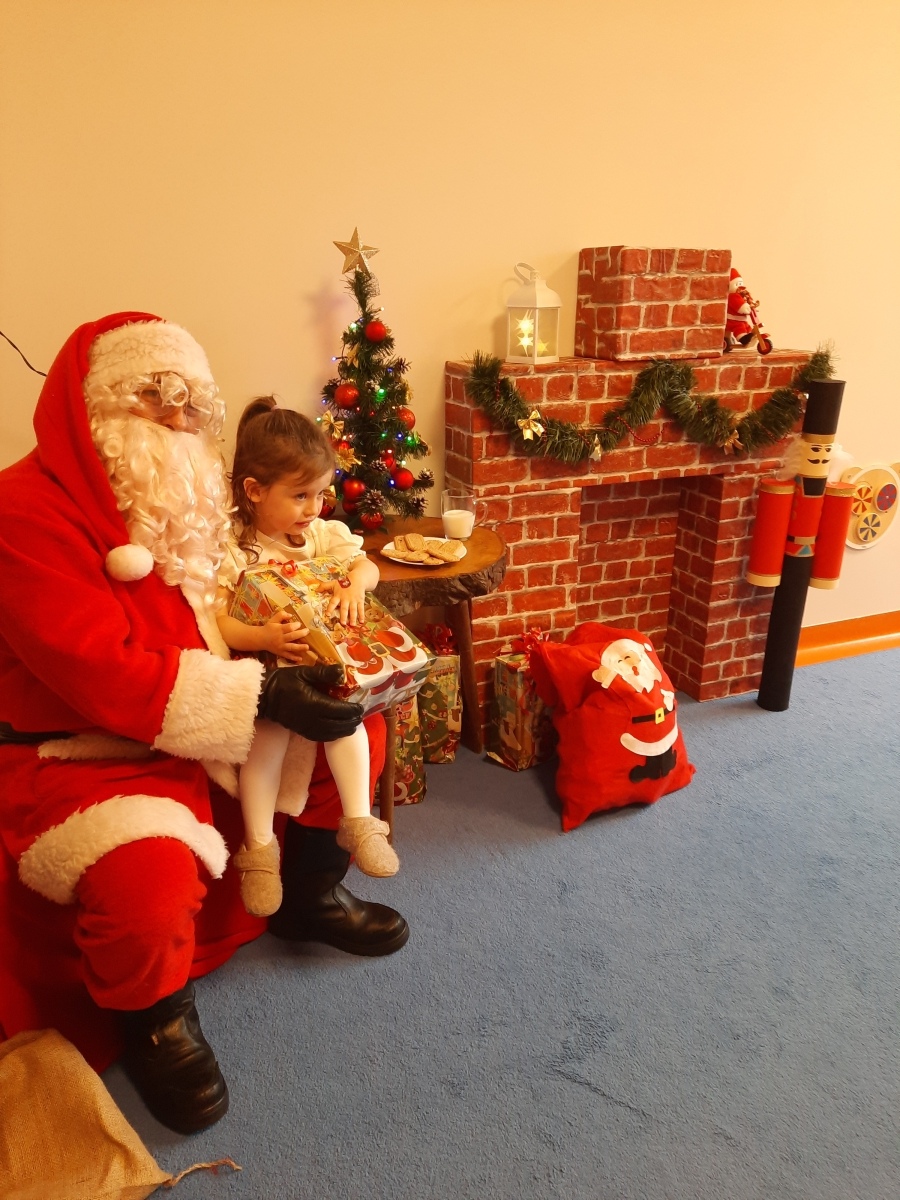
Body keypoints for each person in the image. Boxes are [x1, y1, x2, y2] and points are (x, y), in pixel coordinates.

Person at [0, 313, 409, 1137]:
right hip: (91, 747)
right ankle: (155, 1020)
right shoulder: (21, 511)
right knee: (143, 879)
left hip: (213, 706)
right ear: (91, 406)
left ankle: (309, 896)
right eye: (154, 396)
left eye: (192, 401)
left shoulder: (191, 494)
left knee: (356, 729)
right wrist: (261, 697)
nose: (178, 417)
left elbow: (232, 596)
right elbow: (97, 670)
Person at [216, 397, 398, 918]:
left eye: (321, 493)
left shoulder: (320, 535)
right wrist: (263, 636)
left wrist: (355, 585)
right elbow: (220, 620)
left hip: (324, 667)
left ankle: (360, 823)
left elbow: (366, 566)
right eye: (300, 496)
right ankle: (259, 851)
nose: (314, 507)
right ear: (254, 491)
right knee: (266, 743)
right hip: (269, 677)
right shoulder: (235, 547)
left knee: (350, 720)